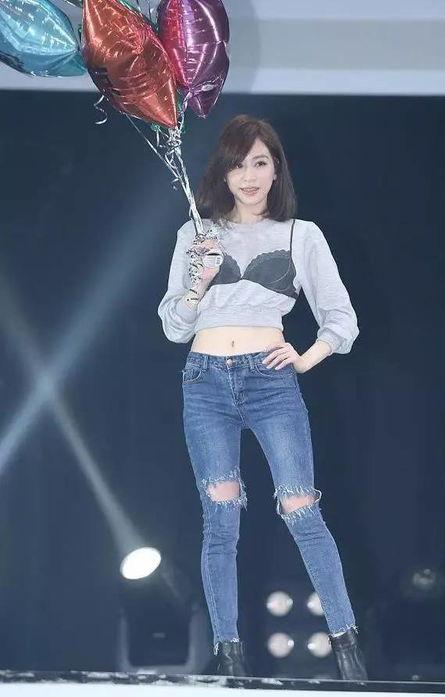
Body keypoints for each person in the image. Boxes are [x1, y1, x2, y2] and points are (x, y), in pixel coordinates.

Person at [157, 114, 367, 680]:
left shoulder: (302, 235)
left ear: (276, 170)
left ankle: (348, 648)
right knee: (219, 520)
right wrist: (198, 285)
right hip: (204, 381)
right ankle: (229, 655)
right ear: (222, 173)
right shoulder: (196, 234)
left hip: (270, 380)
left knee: (302, 510)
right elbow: (173, 326)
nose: (248, 176)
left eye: (259, 163)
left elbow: (341, 319)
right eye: (237, 164)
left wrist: (305, 357)